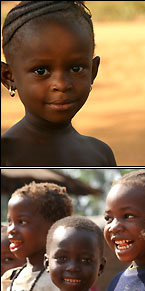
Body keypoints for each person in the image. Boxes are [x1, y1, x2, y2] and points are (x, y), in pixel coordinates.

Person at [1, 0, 116, 166]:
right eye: (41, 71)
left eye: (76, 69)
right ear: (8, 77)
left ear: (93, 71)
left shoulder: (100, 154)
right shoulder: (6, 156)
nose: (62, 85)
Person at [1, 181, 73, 291]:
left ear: (54, 227)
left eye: (22, 222)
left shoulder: (61, 280)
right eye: (10, 221)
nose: (12, 230)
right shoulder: (11, 277)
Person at [25, 216, 106, 291]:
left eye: (85, 260)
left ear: (100, 267)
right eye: (62, 258)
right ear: (47, 264)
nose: (73, 268)